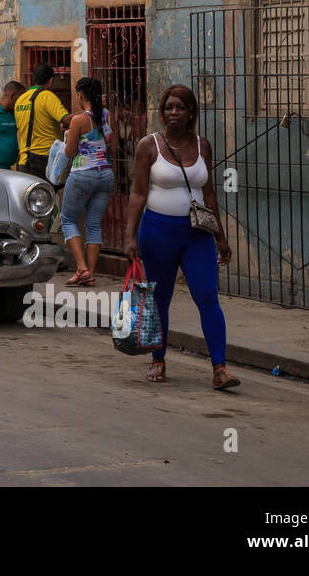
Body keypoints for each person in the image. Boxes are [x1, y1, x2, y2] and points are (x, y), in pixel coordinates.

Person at [123, 84, 239, 391]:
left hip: (197, 234)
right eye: (169, 108)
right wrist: (129, 236)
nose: (174, 113)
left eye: (181, 108)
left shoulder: (203, 145)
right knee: (160, 298)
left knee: (208, 296)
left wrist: (221, 238)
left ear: (191, 114)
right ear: (162, 113)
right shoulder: (149, 145)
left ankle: (220, 368)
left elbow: (209, 193)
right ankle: (158, 361)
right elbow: (137, 193)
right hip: (158, 233)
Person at [57, 77, 116, 286]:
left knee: (68, 219)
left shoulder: (78, 120)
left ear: (80, 95)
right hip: (106, 174)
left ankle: (81, 268)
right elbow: (113, 148)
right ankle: (90, 274)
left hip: (83, 174)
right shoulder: (108, 116)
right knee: (93, 224)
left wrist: (66, 138)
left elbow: (70, 151)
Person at [13, 63, 71, 177]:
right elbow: (66, 120)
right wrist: (88, 111)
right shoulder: (47, 96)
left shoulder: (20, 100)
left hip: (24, 160)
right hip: (44, 160)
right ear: (50, 80)